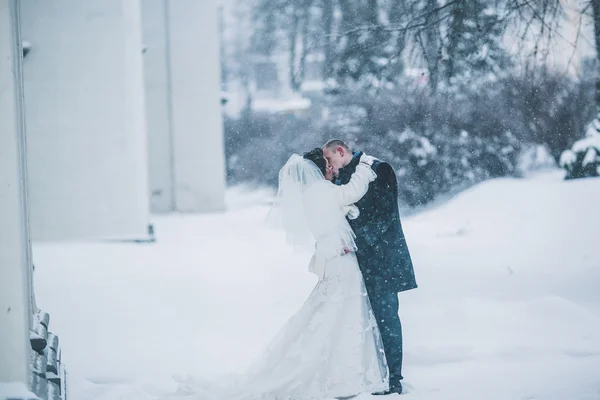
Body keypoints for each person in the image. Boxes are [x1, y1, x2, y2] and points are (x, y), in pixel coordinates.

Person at [164, 148, 389, 400]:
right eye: (328, 164)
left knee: (334, 314)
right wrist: (365, 167)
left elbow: (337, 210)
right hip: (340, 261)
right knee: (342, 313)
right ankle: (340, 374)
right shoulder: (321, 190)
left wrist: (348, 211)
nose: (332, 168)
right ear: (317, 169)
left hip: (335, 258)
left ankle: (337, 371)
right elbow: (351, 192)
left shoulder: (312, 194)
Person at [323, 139, 418, 395]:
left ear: (340, 152)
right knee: (361, 323)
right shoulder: (340, 179)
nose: (328, 166)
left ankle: (394, 380)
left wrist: (352, 241)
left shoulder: (379, 169)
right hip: (354, 266)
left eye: (329, 160)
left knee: (387, 320)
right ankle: (370, 375)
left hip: (384, 261)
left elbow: (385, 216)